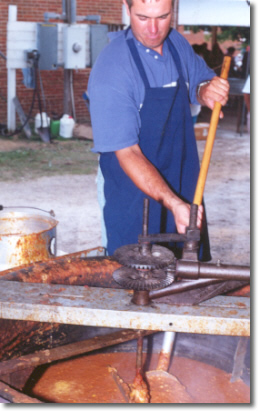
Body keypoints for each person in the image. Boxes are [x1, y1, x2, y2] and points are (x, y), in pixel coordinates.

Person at [88, 0, 229, 260]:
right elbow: (127, 152)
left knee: (184, 271)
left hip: (180, 177)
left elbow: (198, 81)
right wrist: (173, 203)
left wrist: (206, 90)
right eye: (143, 18)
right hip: (131, 189)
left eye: (162, 17)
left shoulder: (177, 43)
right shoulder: (112, 68)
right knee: (133, 276)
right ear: (126, 8)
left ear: (173, 9)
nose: (153, 30)